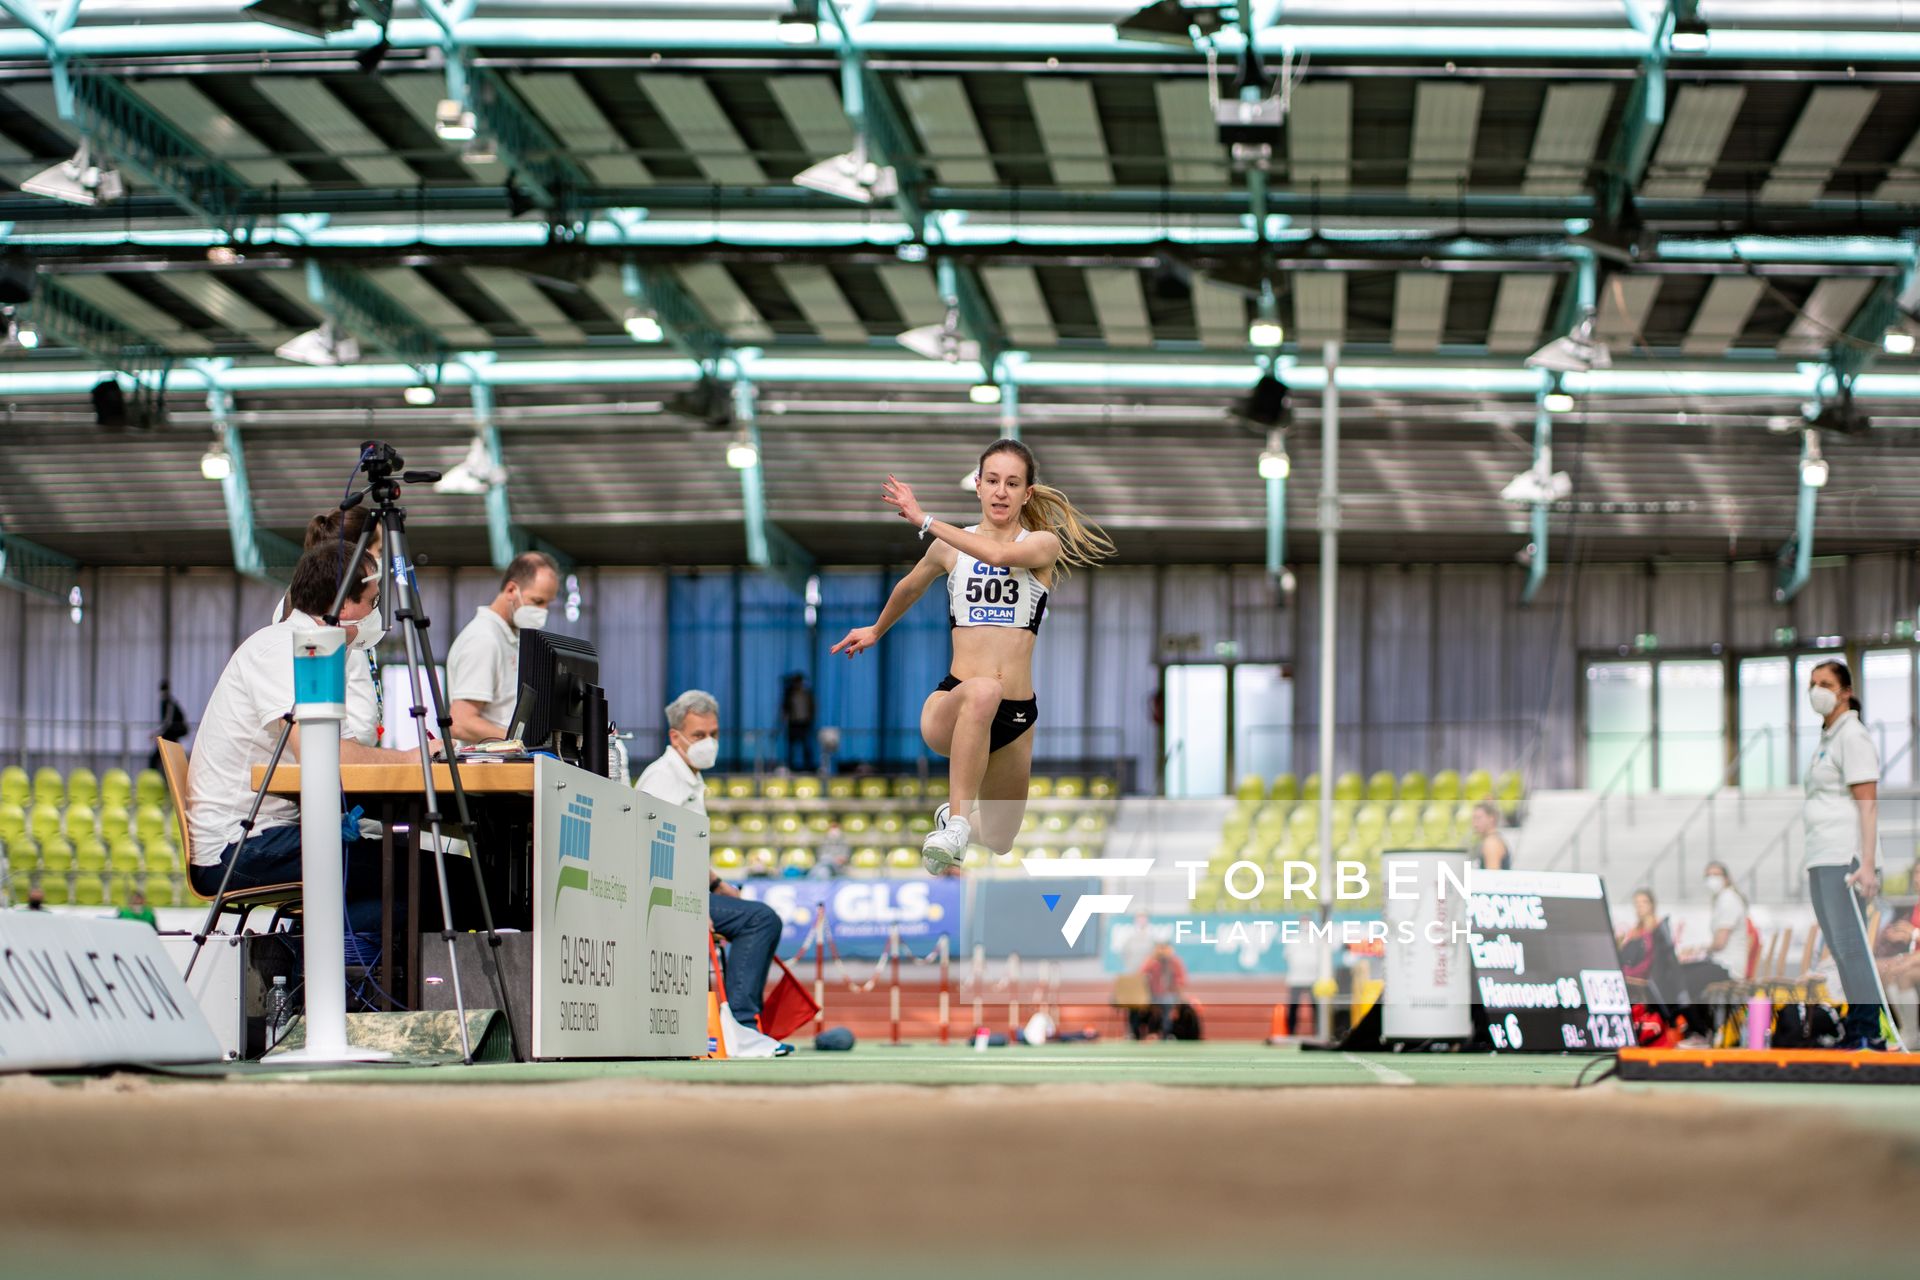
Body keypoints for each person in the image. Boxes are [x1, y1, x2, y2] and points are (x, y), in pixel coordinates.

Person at [830, 439, 1114, 872]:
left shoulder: (1042, 545)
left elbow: (999, 555)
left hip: (1016, 715)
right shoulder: (948, 548)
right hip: (956, 703)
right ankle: (958, 821)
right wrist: (876, 628)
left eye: (1013, 483)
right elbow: (909, 587)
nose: (1001, 491)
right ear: (978, 486)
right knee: (983, 689)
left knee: (1001, 838)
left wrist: (926, 520)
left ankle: (951, 819)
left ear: (1027, 494)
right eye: (993, 481)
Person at [185, 540, 432, 932]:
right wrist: (411, 759)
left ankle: (312, 952)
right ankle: (309, 953)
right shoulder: (282, 650)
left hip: (272, 836)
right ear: (342, 605)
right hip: (240, 847)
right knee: (438, 883)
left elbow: (344, 750)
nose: (376, 613)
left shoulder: (318, 652)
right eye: (372, 601)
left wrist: (410, 756)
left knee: (423, 875)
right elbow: (326, 755)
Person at [633, 690, 786, 1044]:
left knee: (756, 915)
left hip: (686, 890)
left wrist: (716, 885)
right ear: (676, 737)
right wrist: (692, 906)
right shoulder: (663, 779)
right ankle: (743, 1029)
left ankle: (740, 1026)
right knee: (760, 919)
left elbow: (684, 845)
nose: (709, 743)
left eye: (714, 735)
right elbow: (651, 848)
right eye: (699, 735)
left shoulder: (689, 776)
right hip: (661, 894)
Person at [1803, 659, 1894, 1050]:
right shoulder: (1827, 739)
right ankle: (1857, 1026)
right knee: (1839, 948)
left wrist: (1868, 864)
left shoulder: (1852, 735)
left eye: (1824, 683)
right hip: (1821, 856)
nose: (1815, 690)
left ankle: (1868, 1031)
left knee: (1852, 945)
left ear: (1845, 692)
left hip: (1846, 858)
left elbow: (1868, 804)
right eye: (1811, 683)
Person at [274, 506, 386, 748]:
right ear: (356, 555)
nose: (381, 560)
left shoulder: (353, 618)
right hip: (332, 749)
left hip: (346, 745)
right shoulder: (304, 614)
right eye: (379, 551)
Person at [445, 551, 561, 745]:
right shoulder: (484, 639)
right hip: (491, 769)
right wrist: (523, 739)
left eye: (547, 604)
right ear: (511, 590)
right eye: (537, 601)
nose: (543, 612)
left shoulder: (510, 637)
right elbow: (461, 722)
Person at [1675, 862, 1750, 1044]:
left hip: (1728, 966)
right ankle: (1699, 1028)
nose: (1712, 879)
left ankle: (1699, 1031)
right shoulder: (1723, 899)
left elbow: (1719, 943)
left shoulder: (1728, 900)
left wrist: (1697, 949)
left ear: (1726, 877)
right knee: (1683, 972)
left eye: (1716, 874)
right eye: (1708, 875)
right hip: (1721, 961)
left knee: (1681, 979)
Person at [1142, 939, 1191, 1040]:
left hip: (1170, 994)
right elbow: (1142, 974)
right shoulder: (1152, 961)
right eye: (1160, 948)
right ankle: (1142, 1032)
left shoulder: (1175, 962)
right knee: (1137, 1006)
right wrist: (1153, 959)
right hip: (1153, 995)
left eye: (1165, 948)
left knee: (1167, 1002)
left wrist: (1175, 987)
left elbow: (1181, 980)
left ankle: (1166, 1032)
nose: (1163, 951)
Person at [148, 680, 190, 771]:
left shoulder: (169, 703)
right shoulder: (167, 701)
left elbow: (167, 722)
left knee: (158, 758)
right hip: (170, 735)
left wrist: (155, 733)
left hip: (171, 734)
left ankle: (152, 775)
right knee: (163, 758)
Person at [779, 673, 817, 772]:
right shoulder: (789, 694)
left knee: (806, 746)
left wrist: (811, 718)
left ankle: (808, 767)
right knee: (791, 747)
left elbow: (812, 707)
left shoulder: (807, 694)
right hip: (793, 723)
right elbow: (785, 709)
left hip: (805, 723)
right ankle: (791, 767)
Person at [1469, 800, 1509, 870]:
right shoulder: (1491, 840)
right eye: (1473, 819)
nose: (1474, 824)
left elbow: (1492, 877)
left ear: (1491, 818)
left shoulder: (1491, 843)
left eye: (1478, 818)